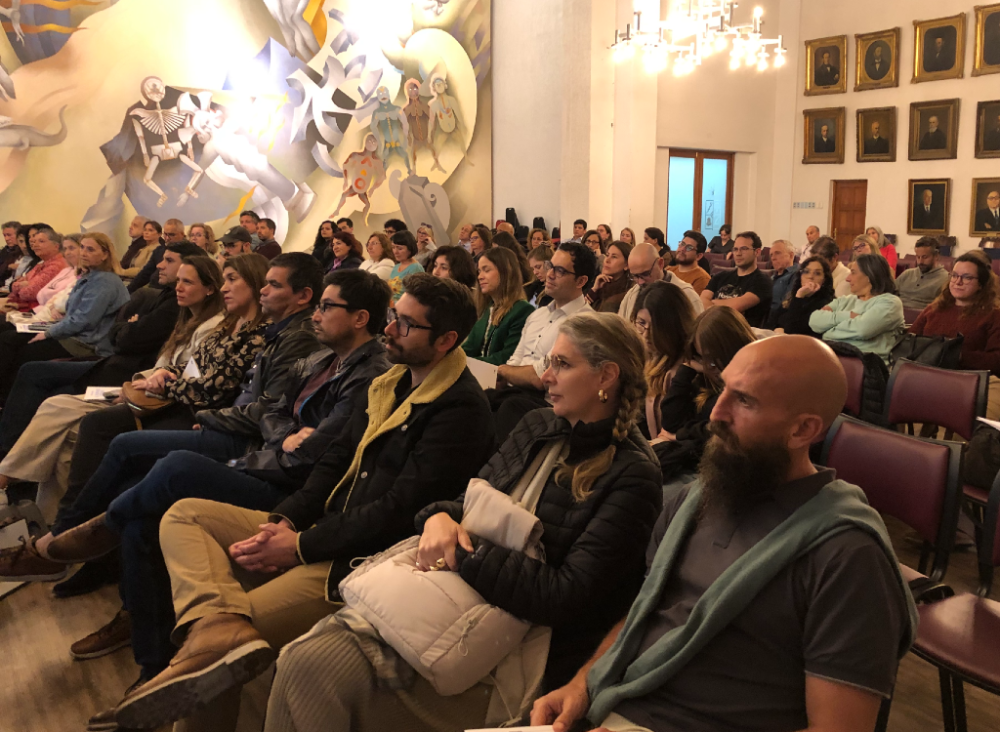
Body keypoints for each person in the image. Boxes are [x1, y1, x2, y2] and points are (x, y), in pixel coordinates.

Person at [106, 274, 496, 731]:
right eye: (393, 316)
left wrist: (300, 546)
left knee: (218, 652)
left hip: (357, 561)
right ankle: (217, 622)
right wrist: (284, 520)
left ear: (447, 340)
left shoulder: (460, 411)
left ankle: (215, 636)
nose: (389, 329)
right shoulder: (390, 382)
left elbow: (396, 512)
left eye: (406, 325)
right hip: (321, 530)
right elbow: (331, 464)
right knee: (184, 515)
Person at [11, 273, 393, 724]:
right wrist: (286, 433)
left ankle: (73, 542)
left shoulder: (370, 373)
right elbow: (271, 411)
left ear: (359, 318)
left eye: (327, 306)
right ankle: (155, 667)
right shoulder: (325, 357)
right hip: (269, 457)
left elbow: (310, 458)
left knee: (172, 465)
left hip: (290, 487)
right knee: (143, 519)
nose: (317, 314)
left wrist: (262, 447)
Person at [260, 312, 662, 732]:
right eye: (549, 362)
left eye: (562, 364)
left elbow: (565, 598)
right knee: (299, 656)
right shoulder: (538, 424)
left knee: (312, 667)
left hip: (520, 652)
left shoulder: (633, 475)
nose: (545, 377)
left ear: (607, 376)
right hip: (455, 603)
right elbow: (463, 503)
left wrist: (463, 550)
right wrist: (437, 518)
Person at [531, 336, 915, 732]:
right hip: (616, 705)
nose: (716, 413)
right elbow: (647, 611)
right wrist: (583, 684)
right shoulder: (696, 500)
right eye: (722, 389)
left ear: (803, 430)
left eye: (745, 401)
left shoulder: (847, 557)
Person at [0, 251, 223, 522]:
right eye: (179, 280)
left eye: (187, 281)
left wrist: (138, 378)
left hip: (153, 395)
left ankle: (27, 491)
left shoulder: (210, 326)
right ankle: (45, 518)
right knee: (54, 403)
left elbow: (143, 349)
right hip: (139, 382)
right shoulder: (185, 316)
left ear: (210, 288)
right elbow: (132, 341)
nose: (178, 286)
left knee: (66, 417)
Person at [0, 232, 130, 400]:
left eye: (90, 249)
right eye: (82, 247)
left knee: (22, 351)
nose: (83, 253)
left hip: (84, 343)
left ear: (105, 254)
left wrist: (47, 333)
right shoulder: (90, 276)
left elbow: (83, 322)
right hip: (70, 332)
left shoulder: (104, 282)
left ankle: (7, 398)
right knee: (8, 337)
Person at [493, 243, 596, 438]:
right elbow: (515, 361)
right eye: (550, 266)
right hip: (516, 393)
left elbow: (540, 378)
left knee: (509, 407)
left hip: (551, 405)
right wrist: (505, 373)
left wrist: (502, 371)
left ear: (581, 280)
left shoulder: (584, 323)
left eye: (559, 271)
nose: (549, 274)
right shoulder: (538, 315)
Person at [652, 307, 755, 473]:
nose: (708, 366)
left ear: (729, 350)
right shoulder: (705, 376)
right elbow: (671, 422)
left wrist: (681, 435)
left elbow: (727, 430)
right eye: (700, 356)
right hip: (699, 465)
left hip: (726, 468)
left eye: (712, 358)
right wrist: (687, 368)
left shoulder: (752, 383)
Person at [909, 251, 1000, 380]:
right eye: (954, 275)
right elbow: (911, 339)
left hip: (967, 381)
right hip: (925, 375)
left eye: (967, 277)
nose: (958, 282)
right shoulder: (934, 308)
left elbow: (996, 360)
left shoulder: (994, 315)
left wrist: (957, 355)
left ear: (981, 284)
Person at [630, 281, 697, 440]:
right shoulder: (645, 358)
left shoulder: (686, 370)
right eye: (641, 323)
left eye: (656, 327)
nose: (646, 335)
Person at [810, 253, 904, 363]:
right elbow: (814, 321)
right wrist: (848, 316)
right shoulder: (845, 300)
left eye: (853, 273)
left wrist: (828, 331)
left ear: (869, 276)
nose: (848, 278)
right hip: (833, 360)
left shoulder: (890, 303)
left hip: (867, 367)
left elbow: (863, 330)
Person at [462, 247, 534, 366]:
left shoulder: (522, 310)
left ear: (505, 271)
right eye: (479, 271)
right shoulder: (487, 308)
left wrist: (467, 363)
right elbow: (470, 347)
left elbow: (507, 357)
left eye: (486, 270)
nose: (480, 276)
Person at [700, 230, 773, 327]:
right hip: (712, 328)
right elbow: (701, 301)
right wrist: (716, 305)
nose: (738, 253)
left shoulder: (762, 281)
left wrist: (712, 302)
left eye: (744, 249)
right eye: (735, 249)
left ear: (757, 252)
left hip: (740, 333)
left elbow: (734, 307)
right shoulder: (720, 276)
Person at [618, 243, 702, 320]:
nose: (640, 282)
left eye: (645, 274)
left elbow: (696, 334)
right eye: (635, 276)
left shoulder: (687, 296)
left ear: (660, 263)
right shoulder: (631, 295)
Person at [766, 256, 835, 336]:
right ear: (800, 276)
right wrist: (777, 329)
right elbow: (771, 322)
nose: (810, 276)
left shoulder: (827, 304)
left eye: (817, 273)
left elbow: (792, 330)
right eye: (806, 272)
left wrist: (799, 296)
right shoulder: (791, 297)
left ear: (824, 279)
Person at [3, 226, 67, 311]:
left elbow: (29, 293)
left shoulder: (56, 265)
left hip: (33, 311)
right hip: (19, 305)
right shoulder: (42, 263)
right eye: (34, 241)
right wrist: (21, 284)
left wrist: (24, 284)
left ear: (56, 246)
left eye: (41, 241)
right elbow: (14, 285)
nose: (34, 245)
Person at [127, 218, 186, 293]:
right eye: (165, 234)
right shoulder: (159, 250)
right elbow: (144, 274)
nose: (167, 238)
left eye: (171, 234)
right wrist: (127, 292)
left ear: (182, 234)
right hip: (153, 289)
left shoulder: (189, 251)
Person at [896, 236, 950, 311]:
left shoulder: (945, 279)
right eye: (918, 257)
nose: (920, 262)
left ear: (936, 256)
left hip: (922, 315)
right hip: (897, 312)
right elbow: (889, 295)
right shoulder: (907, 274)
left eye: (925, 257)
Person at [586, 240, 633, 313]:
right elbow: (579, 314)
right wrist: (594, 289)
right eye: (607, 255)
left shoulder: (627, 294)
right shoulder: (603, 284)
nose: (607, 260)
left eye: (614, 257)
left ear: (627, 265)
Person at [388, 230, 425, 303]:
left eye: (399, 248)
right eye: (393, 247)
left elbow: (415, 297)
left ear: (410, 249)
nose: (395, 251)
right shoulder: (396, 267)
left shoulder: (415, 268)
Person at [766, 239, 798, 320]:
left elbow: (786, 304)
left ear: (791, 255)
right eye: (771, 255)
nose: (773, 258)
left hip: (779, 321)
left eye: (777, 253)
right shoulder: (771, 277)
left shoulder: (797, 275)